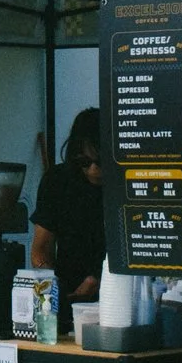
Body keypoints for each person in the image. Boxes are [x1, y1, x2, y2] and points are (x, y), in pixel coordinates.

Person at [30, 108, 104, 304]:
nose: (94, 169)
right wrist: (50, 285)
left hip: (120, 295)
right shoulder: (57, 181)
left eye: (101, 161)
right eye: (84, 162)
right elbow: (40, 249)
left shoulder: (127, 185)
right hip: (68, 296)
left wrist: (101, 279)